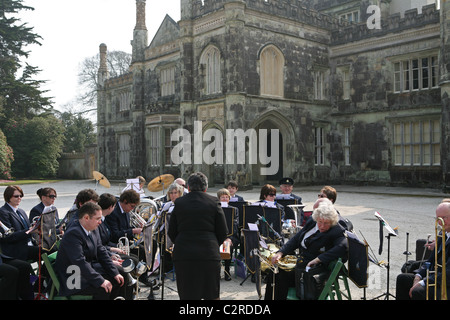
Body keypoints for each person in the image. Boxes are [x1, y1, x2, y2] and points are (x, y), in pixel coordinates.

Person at [264, 200, 347, 300]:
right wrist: (280, 252)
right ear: (316, 219)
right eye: (320, 222)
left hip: (312, 272)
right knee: (273, 272)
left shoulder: (336, 230)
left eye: (326, 223)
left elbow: (343, 246)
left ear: (332, 222)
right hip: (302, 263)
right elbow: (296, 239)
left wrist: (318, 259)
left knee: (279, 276)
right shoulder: (312, 221)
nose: (322, 226)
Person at [168, 172, 228, 300]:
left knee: (187, 295)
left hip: (184, 254)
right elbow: (223, 232)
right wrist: (212, 242)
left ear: (188, 188)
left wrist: (181, 242)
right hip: (208, 254)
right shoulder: (214, 202)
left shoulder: (179, 203)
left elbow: (171, 232)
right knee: (211, 295)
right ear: (205, 188)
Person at [55, 202, 124, 300]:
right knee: (103, 288)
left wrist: (115, 272)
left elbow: (101, 252)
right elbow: (79, 262)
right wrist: (100, 280)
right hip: (73, 278)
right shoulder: (73, 233)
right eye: (97, 219)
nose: (100, 222)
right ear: (86, 218)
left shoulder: (93, 228)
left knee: (118, 278)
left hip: (85, 272)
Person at [396, 202, 450, 300]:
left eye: (444, 218)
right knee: (402, 279)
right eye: (438, 218)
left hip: (446, 284)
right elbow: (430, 260)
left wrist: (423, 282)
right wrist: (418, 276)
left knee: (418, 291)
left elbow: (448, 273)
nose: (440, 222)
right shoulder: (443, 233)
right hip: (437, 278)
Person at [0, 186, 40, 262]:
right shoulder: (3, 212)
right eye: (16, 196)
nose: (19, 198)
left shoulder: (21, 211)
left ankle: (46, 272)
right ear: (8, 196)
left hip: (29, 244)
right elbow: (9, 237)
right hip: (16, 250)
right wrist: (29, 231)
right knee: (49, 251)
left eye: (21, 196)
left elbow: (28, 228)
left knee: (52, 248)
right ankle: (48, 272)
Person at [217, 188, 240, 281]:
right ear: (219, 198)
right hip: (217, 236)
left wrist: (229, 238)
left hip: (230, 236)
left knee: (227, 246)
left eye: (227, 197)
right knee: (215, 245)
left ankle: (227, 270)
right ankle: (217, 271)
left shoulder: (234, 209)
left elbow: (235, 225)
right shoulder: (215, 209)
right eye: (223, 197)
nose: (225, 199)